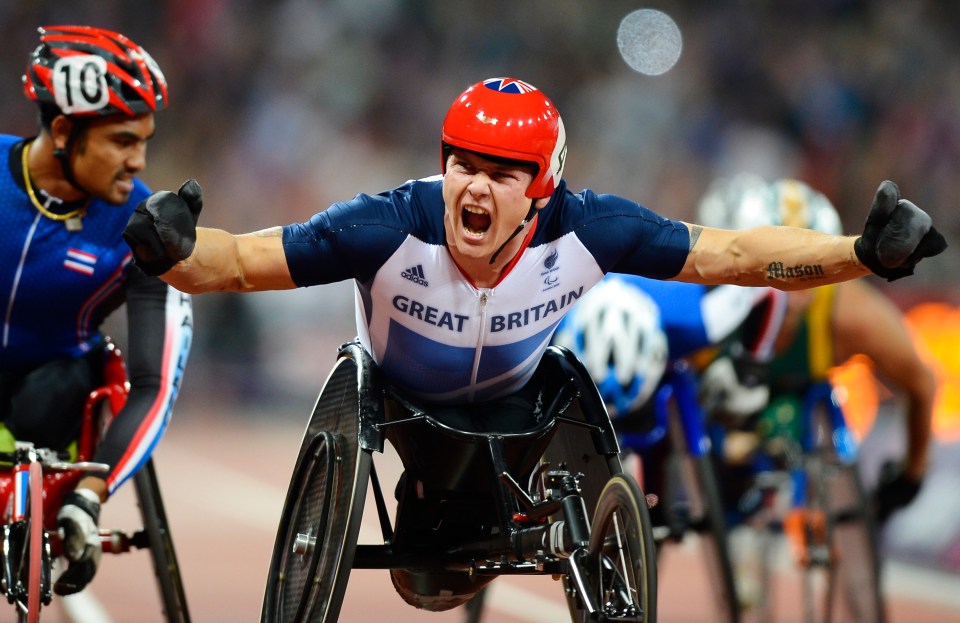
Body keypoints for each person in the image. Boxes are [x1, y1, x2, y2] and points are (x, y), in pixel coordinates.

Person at [122, 77, 945, 611]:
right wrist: (173, 250)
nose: (474, 186)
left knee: (574, 394)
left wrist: (859, 255)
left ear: (541, 189)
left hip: (522, 411)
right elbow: (234, 264)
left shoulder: (588, 229)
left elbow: (735, 255)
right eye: (461, 164)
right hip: (403, 406)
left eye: (502, 172)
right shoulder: (383, 224)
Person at [2, 25, 192, 595]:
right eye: (122, 141)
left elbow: (153, 384)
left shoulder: (148, 227)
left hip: (53, 394)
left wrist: (93, 489)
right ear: (64, 130)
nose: (139, 162)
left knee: (56, 391)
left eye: (145, 141)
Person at [696, 174, 938, 524]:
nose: (789, 283)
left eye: (808, 268)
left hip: (795, 397)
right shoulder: (702, 300)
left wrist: (911, 474)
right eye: (770, 267)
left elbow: (920, 383)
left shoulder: (851, 314)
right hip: (716, 405)